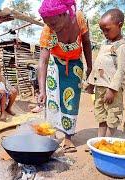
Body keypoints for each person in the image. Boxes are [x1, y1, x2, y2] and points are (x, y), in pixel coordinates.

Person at [37, 0, 92, 153]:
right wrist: (42, 90)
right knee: (52, 100)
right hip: (55, 64)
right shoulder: (48, 29)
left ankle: (68, 138)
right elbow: (43, 60)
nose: (51, 26)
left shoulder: (79, 18)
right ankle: (51, 135)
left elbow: (86, 43)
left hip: (75, 65)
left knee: (71, 101)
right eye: (48, 23)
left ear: (64, 14)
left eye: (54, 23)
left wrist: (90, 67)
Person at [87, 9, 125, 137]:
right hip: (100, 88)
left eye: (107, 29)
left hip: (112, 91)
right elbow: (98, 66)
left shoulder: (122, 46)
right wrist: (91, 83)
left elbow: (121, 71)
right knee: (101, 116)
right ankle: (100, 142)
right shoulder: (105, 44)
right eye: (102, 30)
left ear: (120, 25)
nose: (104, 33)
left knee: (112, 117)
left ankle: (108, 143)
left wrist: (112, 89)